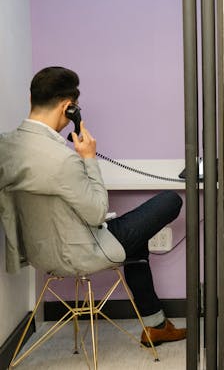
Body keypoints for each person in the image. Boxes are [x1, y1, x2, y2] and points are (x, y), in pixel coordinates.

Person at [0, 66, 187, 346]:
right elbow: (97, 212)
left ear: (31, 100)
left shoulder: (5, 146)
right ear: (69, 108)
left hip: (39, 253)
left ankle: (156, 325)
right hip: (81, 252)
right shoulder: (64, 160)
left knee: (135, 239)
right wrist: (88, 158)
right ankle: (157, 325)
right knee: (170, 200)